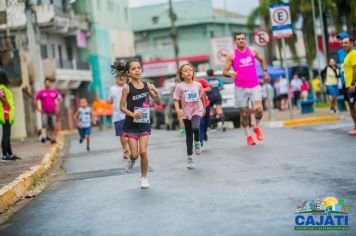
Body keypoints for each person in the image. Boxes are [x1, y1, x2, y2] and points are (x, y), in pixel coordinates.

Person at [120, 59, 160, 189]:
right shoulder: (127, 87)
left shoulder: (147, 85)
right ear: (128, 73)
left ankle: (144, 178)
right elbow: (121, 107)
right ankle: (131, 160)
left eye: (139, 68)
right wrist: (133, 115)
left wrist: (156, 92)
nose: (137, 70)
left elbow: (157, 101)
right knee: (135, 155)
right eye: (133, 69)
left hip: (144, 124)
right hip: (131, 125)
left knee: (143, 152)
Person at [223, 32, 270, 145]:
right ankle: (248, 136)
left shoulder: (252, 51)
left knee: (258, 110)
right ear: (236, 41)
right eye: (239, 39)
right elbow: (224, 71)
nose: (241, 40)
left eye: (243, 38)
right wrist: (231, 74)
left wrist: (264, 72)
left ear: (245, 40)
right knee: (244, 113)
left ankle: (257, 127)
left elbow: (262, 60)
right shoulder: (231, 55)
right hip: (240, 88)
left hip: (254, 85)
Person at [174, 64, 205, 169]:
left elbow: (202, 97)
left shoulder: (198, 85)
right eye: (185, 71)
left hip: (197, 110)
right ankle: (190, 157)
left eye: (190, 70)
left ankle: (197, 141)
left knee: (195, 127)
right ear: (181, 75)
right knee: (188, 136)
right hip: (186, 113)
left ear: (193, 72)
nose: (188, 72)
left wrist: (203, 108)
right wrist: (178, 109)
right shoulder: (180, 86)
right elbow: (176, 100)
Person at [107, 60, 129, 159]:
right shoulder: (112, 89)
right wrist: (109, 100)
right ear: (116, 79)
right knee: (122, 135)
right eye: (121, 79)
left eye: (124, 79)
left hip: (128, 114)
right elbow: (110, 101)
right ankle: (125, 150)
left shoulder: (128, 87)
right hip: (118, 115)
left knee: (129, 134)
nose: (123, 81)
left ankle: (130, 146)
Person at [34, 78, 62, 144]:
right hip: (44, 112)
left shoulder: (54, 92)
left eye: (48, 83)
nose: (47, 84)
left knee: (52, 125)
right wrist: (37, 108)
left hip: (53, 112)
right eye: (46, 83)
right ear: (44, 84)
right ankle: (43, 137)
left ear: (50, 84)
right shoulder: (41, 92)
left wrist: (58, 107)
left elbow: (60, 99)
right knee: (44, 124)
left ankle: (53, 138)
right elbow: (35, 99)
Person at [0, 71, 20, 161]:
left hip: (7, 113)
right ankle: (5, 155)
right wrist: (6, 103)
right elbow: (1, 97)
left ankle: (10, 153)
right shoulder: (1, 88)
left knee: (7, 135)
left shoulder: (3, 88)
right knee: (6, 134)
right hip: (5, 114)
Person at [341, 36, 356, 135]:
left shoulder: (353, 54)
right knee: (351, 106)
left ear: (352, 43)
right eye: (343, 43)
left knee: (353, 106)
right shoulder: (347, 55)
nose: (344, 45)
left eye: (346, 43)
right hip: (347, 85)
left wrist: (353, 84)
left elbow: (355, 69)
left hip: (352, 85)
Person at [195, 75, 211, 150]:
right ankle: (200, 141)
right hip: (195, 107)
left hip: (206, 104)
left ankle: (204, 133)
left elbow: (209, 88)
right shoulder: (185, 84)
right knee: (200, 123)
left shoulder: (200, 81)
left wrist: (202, 90)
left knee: (206, 122)